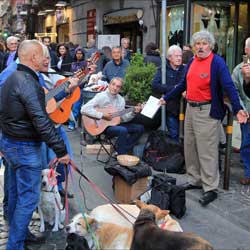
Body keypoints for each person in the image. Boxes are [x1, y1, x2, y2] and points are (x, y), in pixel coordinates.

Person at [160, 30, 248, 206]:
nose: (200, 47)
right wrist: (167, 97)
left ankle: (210, 187)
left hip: (207, 111)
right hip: (191, 109)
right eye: (197, 44)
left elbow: (229, 86)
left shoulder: (217, 62)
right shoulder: (192, 61)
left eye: (204, 44)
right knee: (190, 146)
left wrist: (238, 108)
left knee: (206, 151)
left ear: (211, 45)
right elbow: (183, 84)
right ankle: (195, 180)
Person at [0, 40, 70, 250]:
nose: (45, 59)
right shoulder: (28, 82)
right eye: (43, 56)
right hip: (24, 148)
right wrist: (61, 150)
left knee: (14, 195)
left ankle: (19, 235)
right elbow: (41, 121)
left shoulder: (11, 77)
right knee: (28, 200)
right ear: (33, 57)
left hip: (11, 144)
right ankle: (15, 245)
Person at [81, 77, 144, 155]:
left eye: (118, 86)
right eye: (113, 85)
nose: (115, 88)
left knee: (139, 128)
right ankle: (121, 155)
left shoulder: (121, 100)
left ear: (120, 89)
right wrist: (102, 115)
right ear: (109, 85)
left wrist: (133, 112)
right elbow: (84, 109)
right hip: (102, 127)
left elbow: (122, 119)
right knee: (122, 130)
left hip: (115, 124)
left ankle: (120, 150)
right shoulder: (101, 96)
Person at [152, 45, 185, 140]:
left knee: (186, 136)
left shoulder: (185, 69)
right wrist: (173, 88)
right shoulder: (163, 69)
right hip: (171, 108)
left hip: (184, 108)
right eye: (176, 56)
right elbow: (155, 85)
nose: (179, 58)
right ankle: (176, 154)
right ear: (169, 57)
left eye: (180, 56)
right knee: (174, 135)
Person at [232, 37, 250, 185]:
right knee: (246, 144)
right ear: (246, 50)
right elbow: (235, 92)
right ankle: (249, 172)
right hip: (247, 114)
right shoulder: (238, 70)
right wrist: (242, 110)